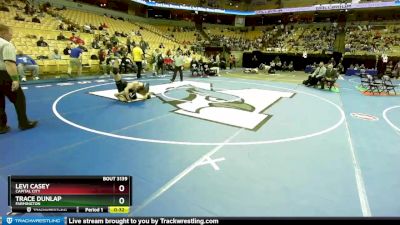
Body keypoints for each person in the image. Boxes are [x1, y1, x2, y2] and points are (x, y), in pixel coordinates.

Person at [0, 24, 37, 134]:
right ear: (2, 33)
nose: (11, 35)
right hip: (4, 75)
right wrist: (15, 79)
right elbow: (9, 63)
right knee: (19, 99)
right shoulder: (6, 45)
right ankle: (24, 123)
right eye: (9, 33)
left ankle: (1, 126)